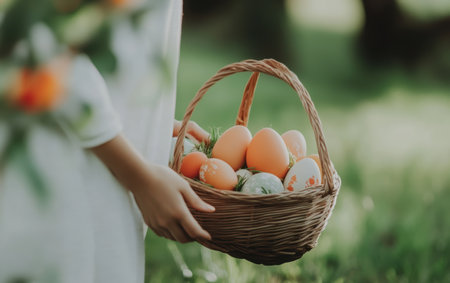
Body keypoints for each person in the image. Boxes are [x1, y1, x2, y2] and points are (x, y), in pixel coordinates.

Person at [0, 0, 214, 282]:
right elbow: (46, 38)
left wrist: (151, 121)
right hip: (72, 160)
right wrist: (140, 177)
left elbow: (108, 38)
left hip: (101, 148)